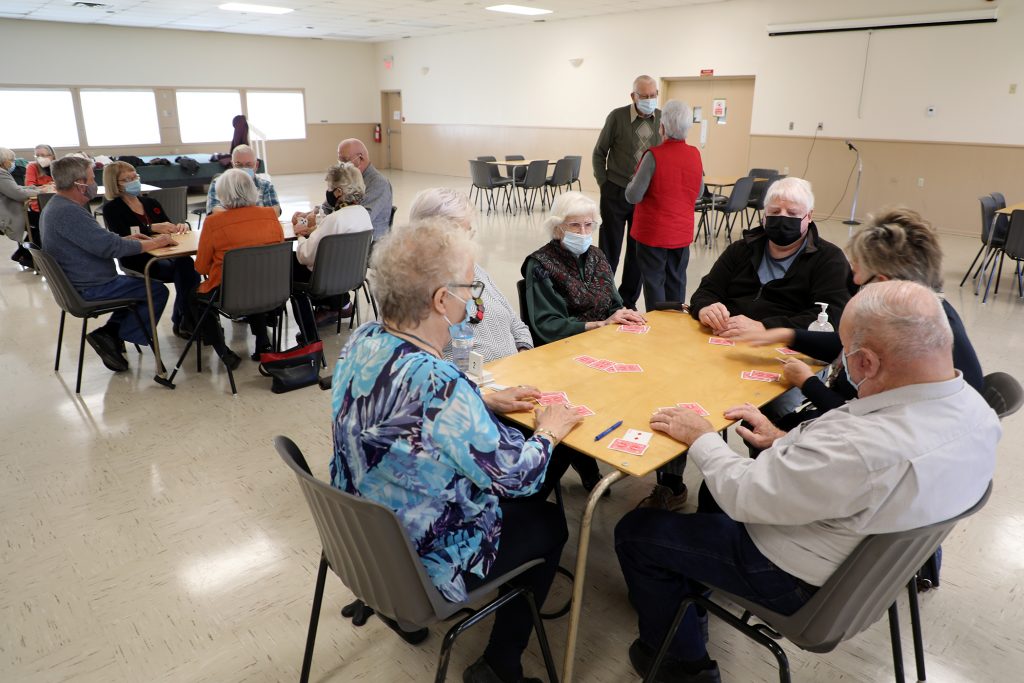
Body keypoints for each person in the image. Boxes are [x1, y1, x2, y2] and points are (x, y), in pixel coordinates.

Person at [615, 280, 1000, 683]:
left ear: (866, 362)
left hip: (795, 577)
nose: (843, 363)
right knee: (711, 492)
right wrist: (785, 441)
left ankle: (682, 668)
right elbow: (849, 469)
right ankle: (690, 598)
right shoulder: (979, 413)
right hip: (869, 571)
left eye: (845, 353)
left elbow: (744, 496)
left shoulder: (861, 448)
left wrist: (701, 436)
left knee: (637, 532)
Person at [331, 220, 583, 683]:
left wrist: (480, 399)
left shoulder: (362, 340)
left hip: (363, 541)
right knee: (547, 520)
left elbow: (410, 409)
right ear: (440, 300)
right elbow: (517, 477)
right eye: (470, 286)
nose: (474, 298)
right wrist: (548, 432)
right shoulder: (439, 385)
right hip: (422, 558)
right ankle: (500, 665)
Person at [734, 207, 984, 435]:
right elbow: (849, 346)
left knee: (756, 426)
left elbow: (864, 424)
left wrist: (807, 384)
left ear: (883, 284)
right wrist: (787, 335)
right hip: (850, 424)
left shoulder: (917, 350)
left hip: (849, 434)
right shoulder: (922, 316)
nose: (853, 282)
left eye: (856, 273)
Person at [39, 155, 174, 372]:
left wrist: (125, 240)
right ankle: (111, 335)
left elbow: (100, 241)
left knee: (142, 288)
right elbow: (109, 248)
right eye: (92, 179)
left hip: (80, 282)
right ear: (80, 184)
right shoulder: (69, 212)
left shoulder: (58, 206)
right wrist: (156, 242)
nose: (95, 184)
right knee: (155, 290)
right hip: (91, 287)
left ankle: (110, 335)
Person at [690, 176, 852, 337]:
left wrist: (765, 328)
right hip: (726, 337)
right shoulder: (740, 249)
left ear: (809, 216)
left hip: (785, 348)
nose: (782, 218)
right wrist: (706, 308)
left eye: (792, 213)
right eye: (774, 211)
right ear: (764, 215)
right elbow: (706, 291)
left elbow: (830, 319)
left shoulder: (829, 260)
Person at [408, 187, 533, 362]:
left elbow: (515, 323)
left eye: (469, 231)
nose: (468, 240)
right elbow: (420, 362)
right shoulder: (414, 288)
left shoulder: (474, 269)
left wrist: (524, 351)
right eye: (461, 232)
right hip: (469, 383)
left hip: (514, 371)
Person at [522, 191, 647, 345]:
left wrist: (623, 315)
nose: (583, 232)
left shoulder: (597, 255)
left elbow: (614, 303)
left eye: (588, 225)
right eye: (574, 225)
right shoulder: (540, 264)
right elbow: (547, 325)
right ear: (557, 227)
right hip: (564, 346)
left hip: (604, 339)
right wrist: (598, 325)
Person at [193, 169, 285, 368]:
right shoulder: (270, 215)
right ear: (253, 191)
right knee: (254, 277)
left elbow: (200, 267)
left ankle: (224, 352)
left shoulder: (213, 222)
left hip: (229, 293)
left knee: (197, 299)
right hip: (269, 288)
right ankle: (263, 342)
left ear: (223, 194)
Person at [101, 161, 200, 339]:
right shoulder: (112, 209)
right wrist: (152, 227)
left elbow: (167, 227)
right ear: (115, 184)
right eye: (127, 179)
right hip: (138, 258)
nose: (133, 182)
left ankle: (185, 318)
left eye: (135, 177)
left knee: (187, 266)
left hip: (165, 254)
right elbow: (124, 236)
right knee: (185, 271)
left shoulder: (150, 202)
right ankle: (186, 319)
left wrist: (178, 227)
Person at [625, 100, 703, 310]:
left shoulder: (653, 156)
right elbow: (700, 192)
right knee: (677, 280)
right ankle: (675, 322)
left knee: (654, 282)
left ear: (662, 127)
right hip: (681, 234)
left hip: (653, 234)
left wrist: (632, 180)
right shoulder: (695, 154)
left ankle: (658, 328)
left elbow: (633, 196)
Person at [593, 74, 662, 309]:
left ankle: (628, 301)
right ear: (633, 96)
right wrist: (604, 184)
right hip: (615, 191)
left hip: (643, 197)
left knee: (637, 253)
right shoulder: (617, 117)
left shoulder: (661, 119)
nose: (650, 100)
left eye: (654, 95)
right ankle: (605, 299)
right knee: (609, 250)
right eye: (645, 96)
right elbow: (599, 153)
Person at [291, 162, 373, 341]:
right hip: (353, 276)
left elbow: (305, 256)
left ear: (338, 192)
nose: (327, 192)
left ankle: (308, 336)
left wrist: (300, 235)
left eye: (330, 188)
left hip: (326, 279)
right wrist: (315, 231)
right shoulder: (363, 214)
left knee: (291, 265)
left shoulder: (333, 220)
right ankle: (339, 303)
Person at [205, 144, 281, 216]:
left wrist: (237, 216)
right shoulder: (218, 183)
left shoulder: (265, 185)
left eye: (248, 165)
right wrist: (253, 215)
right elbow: (214, 210)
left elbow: (275, 211)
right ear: (232, 165)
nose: (243, 169)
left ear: (256, 165)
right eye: (239, 165)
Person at [1, 147, 43, 267]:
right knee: (42, 221)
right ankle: (27, 257)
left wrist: (38, 188)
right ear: (4, 161)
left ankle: (22, 254)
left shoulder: (3, 173)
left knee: (40, 220)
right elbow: (18, 194)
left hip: (11, 210)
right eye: (12, 160)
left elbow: (18, 188)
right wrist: (42, 192)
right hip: (7, 214)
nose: (13, 162)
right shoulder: (1, 174)